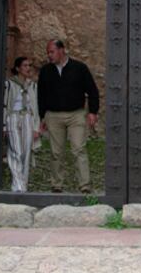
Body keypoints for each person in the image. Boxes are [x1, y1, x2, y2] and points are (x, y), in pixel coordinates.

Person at [38, 39, 99, 194]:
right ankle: (56, 185)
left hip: (76, 115)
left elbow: (92, 90)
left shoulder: (79, 68)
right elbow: (41, 95)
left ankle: (84, 186)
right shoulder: (45, 71)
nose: (49, 55)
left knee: (79, 149)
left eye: (52, 52)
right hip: (53, 116)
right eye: (48, 52)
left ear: (62, 50)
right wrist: (42, 116)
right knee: (56, 152)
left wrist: (93, 112)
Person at [3, 57, 41, 192]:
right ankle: (17, 186)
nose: (28, 68)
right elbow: (5, 105)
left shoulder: (33, 85)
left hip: (27, 118)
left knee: (26, 152)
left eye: (29, 65)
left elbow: (35, 107)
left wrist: (36, 127)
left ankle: (23, 185)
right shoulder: (9, 84)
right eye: (25, 65)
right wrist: (4, 125)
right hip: (13, 117)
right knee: (16, 151)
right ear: (18, 68)